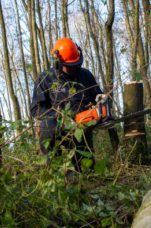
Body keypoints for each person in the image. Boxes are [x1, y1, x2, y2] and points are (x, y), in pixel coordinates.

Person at [30, 38, 106, 177]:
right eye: (69, 66)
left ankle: (75, 171)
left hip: (81, 128)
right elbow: (36, 110)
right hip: (57, 127)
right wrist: (58, 116)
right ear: (58, 63)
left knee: (86, 171)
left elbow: (97, 95)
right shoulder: (45, 79)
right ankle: (54, 168)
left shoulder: (85, 76)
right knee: (47, 126)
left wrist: (100, 100)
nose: (73, 68)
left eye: (76, 65)